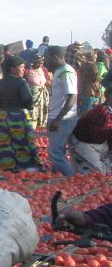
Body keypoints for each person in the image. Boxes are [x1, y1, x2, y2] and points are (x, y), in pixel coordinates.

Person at [0, 56, 42, 171]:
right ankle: (24, 165)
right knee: (22, 141)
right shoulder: (21, 82)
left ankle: (6, 165)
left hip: (4, 116)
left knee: (5, 142)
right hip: (19, 116)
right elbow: (28, 100)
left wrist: (2, 105)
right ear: (11, 68)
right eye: (20, 67)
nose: (23, 69)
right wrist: (27, 106)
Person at [68, 76, 112, 174]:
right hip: (83, 141)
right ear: (109, 97)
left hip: (99, 142)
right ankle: (79, 158)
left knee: (108, 170)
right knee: (100, 172)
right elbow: (93, 135)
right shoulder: (103, 111)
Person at [45, 45, 78, 176]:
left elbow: (72, 96)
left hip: (63, 119)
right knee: (59, 151)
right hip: (57, 117)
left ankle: (71, 180)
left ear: (55, 57)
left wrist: (58, 119)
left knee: (55, 153)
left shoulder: (66, 72)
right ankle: (58, 178)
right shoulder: (59, 71)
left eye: (47, 58)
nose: (45, 61)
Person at [25, 55, 50, 129]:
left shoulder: (44, 70)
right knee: (32, 112)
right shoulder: (28, 70)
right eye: (38, 63)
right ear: (33, 62)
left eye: (41, 63)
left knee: (42, 111)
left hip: (42, 94)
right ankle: (31, 127)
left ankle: (40, 128)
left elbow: (47, 80)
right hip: (32, 95)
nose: (40, 65)